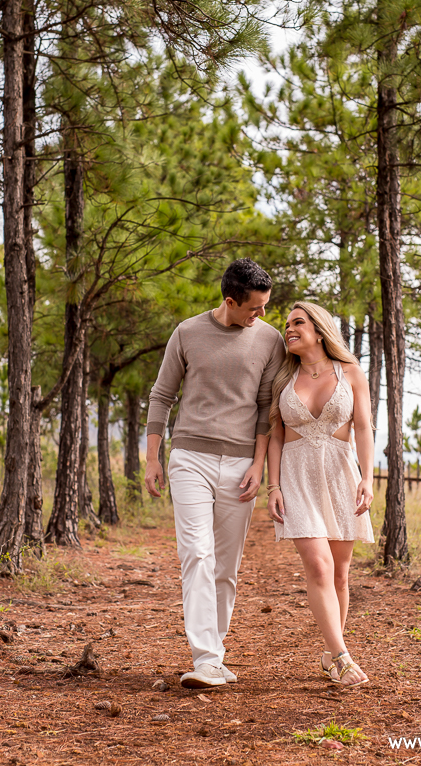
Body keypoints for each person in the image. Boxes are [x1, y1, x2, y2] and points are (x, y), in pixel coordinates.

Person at [145, 258, 286, 689]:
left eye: (265, 307)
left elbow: (267, 408)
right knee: (196, 554)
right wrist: (153, 457)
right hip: (190, 457)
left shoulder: (270, 340)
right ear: (230, 300)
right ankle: (206, 658)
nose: (260, 315)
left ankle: (215, 652)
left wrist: (258, 466)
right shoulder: (187, 333)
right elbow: (162, 395)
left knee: (226, 566)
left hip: (241, 464)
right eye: (255, 308)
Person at [266, 300, 374, 688]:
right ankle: (343, 657)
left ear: (319, 328)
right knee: (318, 566)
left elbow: (364, 428)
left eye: (298, 322)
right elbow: (276, 436)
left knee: (341, 575)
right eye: (287, 324)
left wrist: (368, 478)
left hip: (341, 473)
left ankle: (331, 652)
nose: (289, 329)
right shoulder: (282, 378)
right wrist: (273, 485)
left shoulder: (351, 373)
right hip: (296, 476)